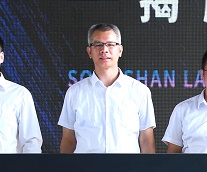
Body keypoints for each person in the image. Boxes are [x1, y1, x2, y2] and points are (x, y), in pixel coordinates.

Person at [59, 23, 155, 153]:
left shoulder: (140, 91)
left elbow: (146, 140)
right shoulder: (74, 92)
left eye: (110, 44)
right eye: (98, 44)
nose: (104, 50)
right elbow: (68, 140)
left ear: (120, 50)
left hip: (128, 165)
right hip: (85, 165)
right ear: (89, 52)